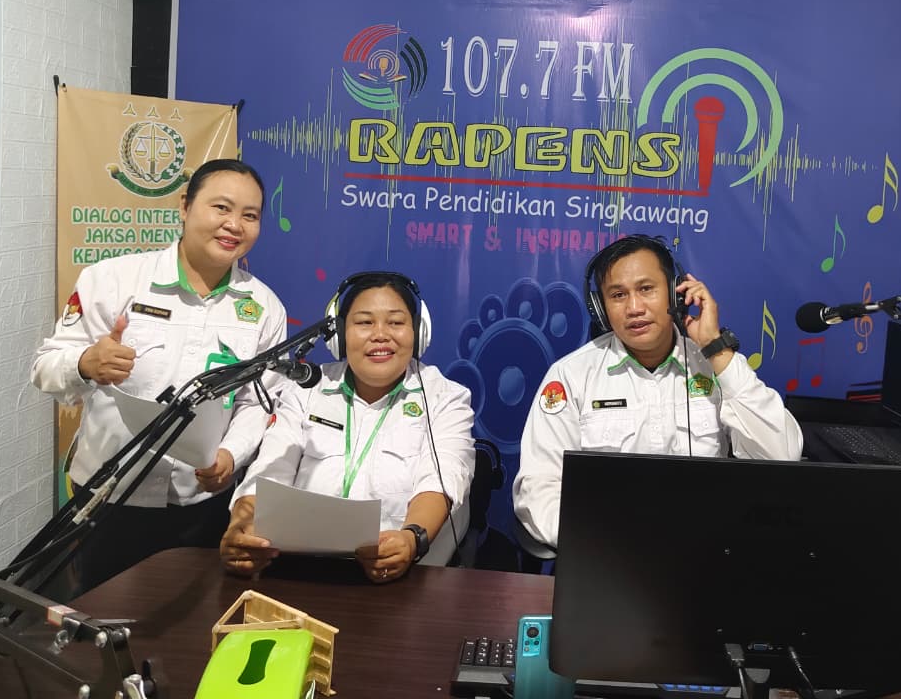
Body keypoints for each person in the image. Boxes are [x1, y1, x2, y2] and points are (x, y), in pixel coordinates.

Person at [32, 158, 288, 592]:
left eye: (250, 215)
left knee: (194, 617)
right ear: (185, 205)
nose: (234, 225)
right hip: (109, 498)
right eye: (221, 208)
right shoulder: (112, 280)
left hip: (201, 504)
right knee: (103, 615)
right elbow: (44, 368)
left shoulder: (264, 307)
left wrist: (230, 455)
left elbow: (257, 402)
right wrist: (85, 363)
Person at [513, 234, 804, 549]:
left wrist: (715, 348)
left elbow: (781, 456)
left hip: (708, 551)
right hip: (607, 555)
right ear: (600, 308)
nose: (634, 308)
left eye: (646, 289)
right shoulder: (571, 376)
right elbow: (539, 487)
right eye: (618, 295)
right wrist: (601, 540)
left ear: (676, 294)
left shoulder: (716, 366)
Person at [220, 272, 475, 583]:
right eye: (364, 322)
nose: (380, 335)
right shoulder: (305, 390)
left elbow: (441, 481)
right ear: (339, 335)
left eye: (395, 322)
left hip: (405, 579)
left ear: (418, 333)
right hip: (301, 575)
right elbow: (270, 471)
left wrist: (410, 540)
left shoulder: (445, 398)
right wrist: (242, 527)